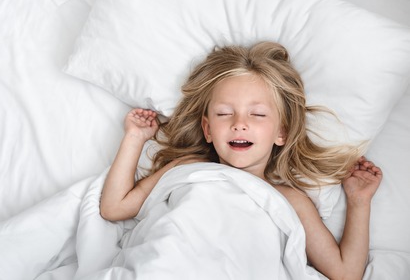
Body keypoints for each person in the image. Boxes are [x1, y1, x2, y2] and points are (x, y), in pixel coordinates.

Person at [100, 41, 382, 280]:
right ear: (208, 129)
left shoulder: (289, 199)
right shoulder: (188, 169)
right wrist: (134, 139)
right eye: (224, 114)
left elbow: (345, 273)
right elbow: (114, 208)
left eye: (257, 115)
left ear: (281, 132)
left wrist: (359, 202)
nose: (239, 124)